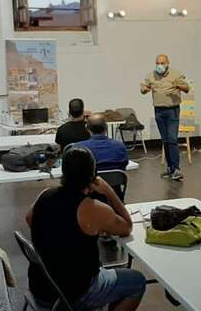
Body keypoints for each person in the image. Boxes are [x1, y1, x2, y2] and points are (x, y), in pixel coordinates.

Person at [26, 147, 146, 311]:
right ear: (92, 174)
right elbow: (127, 227)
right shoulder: (93, 209)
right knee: (137, 281)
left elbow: (29, 219)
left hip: (41, 288)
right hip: (74, 294)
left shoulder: (45, 194)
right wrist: (109, 191)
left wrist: (59, 235)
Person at [140, 54, 189, 181]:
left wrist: (178, 86)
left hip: (172, 110)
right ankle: (170, 168)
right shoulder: (151, 75)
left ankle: (177, 169)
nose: (159, 65)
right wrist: (145, 89)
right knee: (165, 140)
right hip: (159, 111)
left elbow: (187, 88)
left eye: (162, 63)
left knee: (172, 139)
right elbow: (143, 88)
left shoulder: (177, 74)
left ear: (168, 63)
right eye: (157, 63)